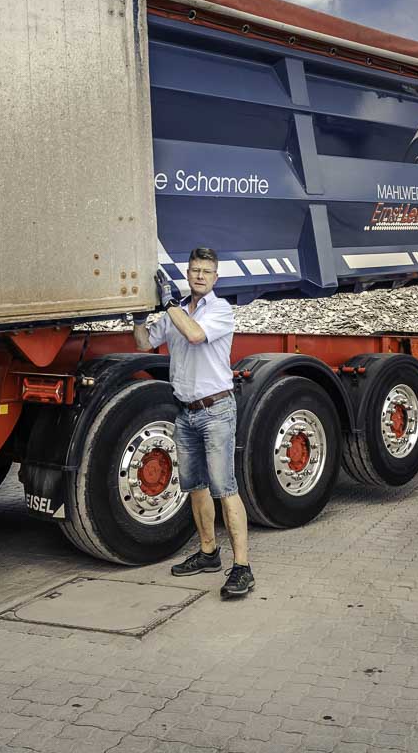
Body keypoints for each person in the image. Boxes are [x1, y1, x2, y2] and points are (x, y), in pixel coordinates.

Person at [133, 248, 253, 598]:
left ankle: (242, 567)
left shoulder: (220, 310)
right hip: (185, 412)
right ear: (187, 273)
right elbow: (144, 342)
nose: (200, 276)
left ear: (215, 278)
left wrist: (169, 305)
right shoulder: (176, 312)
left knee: (224, 488)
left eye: (207, 272)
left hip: (216, 410)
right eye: (195, 270)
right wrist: (140, 316)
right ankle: (208, 553)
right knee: (196, 487)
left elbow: (195, 335)